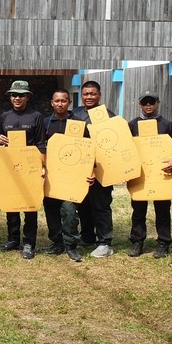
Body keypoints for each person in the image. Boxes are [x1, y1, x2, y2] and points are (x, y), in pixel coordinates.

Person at [127, 91, 172, 259]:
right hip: (140, 175)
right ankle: (137, 241)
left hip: (161, 176)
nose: (148, 105)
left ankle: (163, 242)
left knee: (162, 210)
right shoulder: (132, 125)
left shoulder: (167, 124)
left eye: (151, 102)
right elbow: (125, 150)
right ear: (139, 104)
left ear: (157, 103)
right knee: (138, 210)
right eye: (144, 102)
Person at [0, 81, 46, 259]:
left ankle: (29, 242)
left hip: (30, 167)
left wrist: (43, 166)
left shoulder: (36, 116)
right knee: (12, 203)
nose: (17, 98)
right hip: (10, 167)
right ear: (10, 97)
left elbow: (41, 143)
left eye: (21, 95)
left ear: (27, 97)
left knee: (30, 205)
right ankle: (13, 239)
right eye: (14, 95)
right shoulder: (4, 117)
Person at [72, 81, 116, 258]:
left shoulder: (108, 116)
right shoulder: (74, 114)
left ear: (99, 95)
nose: (89, 97)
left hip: (101, 169)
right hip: (80, 168)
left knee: (101, 206)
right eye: (85, 94)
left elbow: (114, 144)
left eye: (92, 94)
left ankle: (105, 242)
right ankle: (87, 236)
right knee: (82, 204)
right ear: (81, 95)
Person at [42, 89, 83, 262]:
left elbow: (87, 148)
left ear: (69, 103)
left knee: (69, 211)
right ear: (52, 102)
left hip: (71, 176)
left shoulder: (78, 123)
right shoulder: (44, 123)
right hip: (50, 175)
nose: (60, 104)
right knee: (51, 210)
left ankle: (71, 245)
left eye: (64, 101)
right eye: (57, 101)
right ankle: (57, 242)